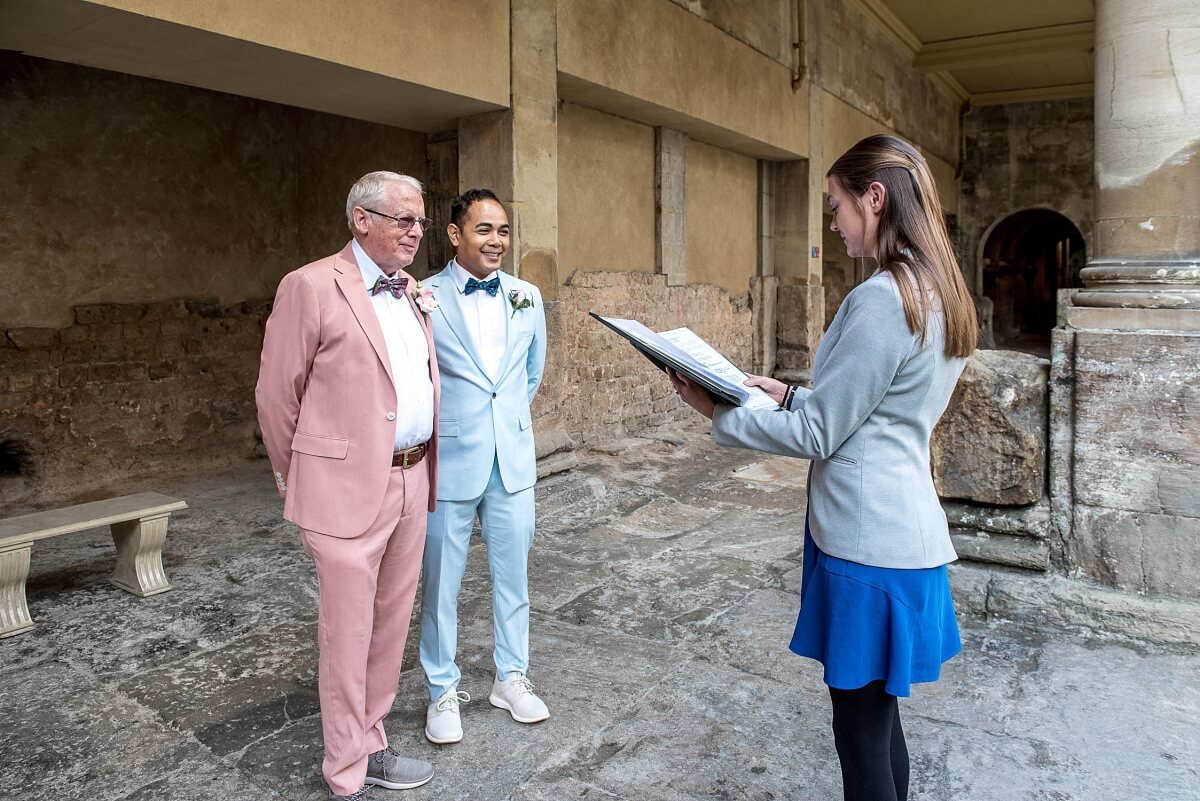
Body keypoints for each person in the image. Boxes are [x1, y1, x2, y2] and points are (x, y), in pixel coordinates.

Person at [669, 134, 977, 801]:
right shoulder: (936, 290)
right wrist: (786, 392)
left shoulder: (881, 297)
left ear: (874, 197)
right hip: (905, 534)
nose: (832, 223)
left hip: (868, 545)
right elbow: (882, 411)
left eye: (836, 205)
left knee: (860, 736)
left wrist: (716, 411)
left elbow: (819, 433)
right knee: (878, 723)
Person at [255, 172, 441, 800]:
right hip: (342, 490)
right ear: (361, 220)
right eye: (403, 220)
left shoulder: (413, 291)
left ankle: (372, 738)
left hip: (414, 478)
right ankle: (345, 774)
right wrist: (300, 477)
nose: (417, 231)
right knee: (346, 631)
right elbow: (278, 394)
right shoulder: (309, 285)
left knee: (390, 624)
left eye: (419, 221)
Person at [417, 188, 548, 746]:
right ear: (454, 234)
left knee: (513, 579)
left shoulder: (527, 296)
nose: (496, 241)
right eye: (484, 230)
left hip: (511, 460)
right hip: (450, 461)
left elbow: (529, 375)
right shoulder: (422, 296)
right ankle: (441, 689)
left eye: (503, 231)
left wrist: (507, 423)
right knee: (440, 582)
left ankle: (511, 677)